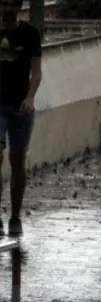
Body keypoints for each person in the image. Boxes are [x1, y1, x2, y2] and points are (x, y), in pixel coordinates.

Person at [0, 0, 41, 239]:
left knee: (17, 161)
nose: (7, 10)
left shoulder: (30, 34)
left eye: (12, 5)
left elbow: (36, 72)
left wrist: (30, 97)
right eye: (3, 4)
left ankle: (15, 216)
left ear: (19, 7)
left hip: (20, 107)